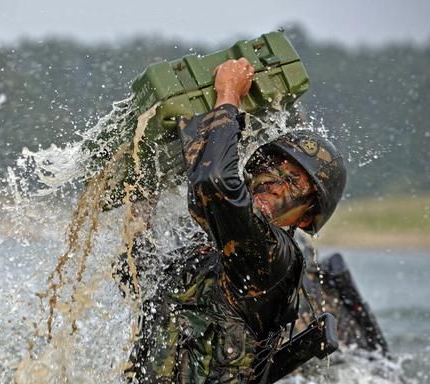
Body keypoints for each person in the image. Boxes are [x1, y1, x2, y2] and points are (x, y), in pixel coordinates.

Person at [123, 57, 347, 384]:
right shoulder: (211, 249)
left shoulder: (272, 258)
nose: (274, 183)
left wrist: (228, 94)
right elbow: (137, 278)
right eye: (272, 166)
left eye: (294, 183)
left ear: (306, 218)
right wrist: (142, 201)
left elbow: (215, 182)